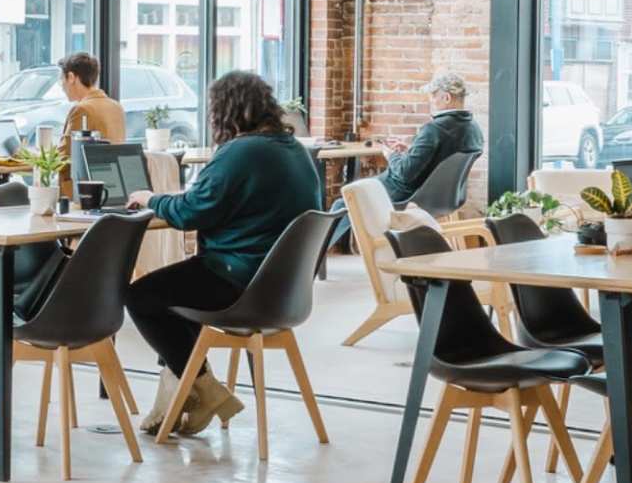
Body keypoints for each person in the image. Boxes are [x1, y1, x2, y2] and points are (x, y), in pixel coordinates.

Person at [122, 68, 327, 433]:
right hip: (283, 289)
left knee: (140, 297)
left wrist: (151, 198)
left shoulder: (240, 152)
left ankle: (207, 391)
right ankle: (185, 399)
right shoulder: (295, 150)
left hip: (239, 280)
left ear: (225, 110)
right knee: (175, 299)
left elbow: (191, 212)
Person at [328, 72, 478, 250]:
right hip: (447, 197)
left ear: (446, 97)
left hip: (406, 193)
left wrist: (390, 154)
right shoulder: (472, 129)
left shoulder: (434, 129)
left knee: (344, 202)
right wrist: (410, 151)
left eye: (433, 95)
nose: (431, 101)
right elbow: (439, 160)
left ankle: (315, 255)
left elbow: (405, 174)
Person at [57, 52, 129, 160]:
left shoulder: (82, 109)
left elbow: (63, 157)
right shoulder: (116, 107)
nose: (61, 86)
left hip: (84, 176)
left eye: (62, 79)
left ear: (71, 77)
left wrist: (24, 161)